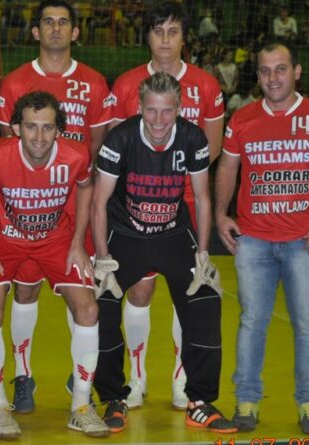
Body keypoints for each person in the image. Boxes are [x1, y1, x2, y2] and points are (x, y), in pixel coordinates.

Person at [215, 42, 309, 435]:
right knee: (251, 323)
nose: (273, 77)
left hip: (304, 241)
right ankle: (246, 400)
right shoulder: (242, 119)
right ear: (257, 75)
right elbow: (228, 167)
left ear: (296, 71)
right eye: (265, 71)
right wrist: (220, 212)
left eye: (280, 69)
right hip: (254, 240)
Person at [92, 72, 236, 434]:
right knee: (102, 303)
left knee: (205, 297)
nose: (158, 121)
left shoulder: (192, 138)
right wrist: (102, 257)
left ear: (179, 109)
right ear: (140, 107)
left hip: (173, 233)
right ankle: (113, 397)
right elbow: (98, 203)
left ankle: (199, 401)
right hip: (125, 234)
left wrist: (203, 255)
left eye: (167, 112)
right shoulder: (120, 138)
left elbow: (202, 198)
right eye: (151, 111)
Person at [107, 0, 224, 418]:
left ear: (183, 38)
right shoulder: (124, 85)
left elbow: (209, 152)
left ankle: (181, 380)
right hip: (134, 208)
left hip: (185, 207)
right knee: (139, 288)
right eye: (158, 32)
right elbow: (114, 146)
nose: (165, 41)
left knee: (187, 295)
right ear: (148, 37)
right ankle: (136, 380)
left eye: (173, 32)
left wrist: (173, 177)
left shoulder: (207, 86)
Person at [0, 0, 112, 414]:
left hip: (75, 202)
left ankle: (79, 379)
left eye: (64, 23)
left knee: (81, 291)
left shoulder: (95, 83)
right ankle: (23, 376)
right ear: (36, 32)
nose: (57, 29)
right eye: (48, 22)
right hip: (27, 207)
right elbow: (3, 149)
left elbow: (97, 149)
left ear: (76, 32)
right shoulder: (14, 82)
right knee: (24, 290)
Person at [0, 91, 109, 438]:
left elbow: (85, 187)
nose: (39, 137)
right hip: (3, 240)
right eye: (31, 127)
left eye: (47, 128)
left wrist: (78, 242)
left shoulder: (75, 155)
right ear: (16, 128)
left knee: (88, 309)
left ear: (59, 130)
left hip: (55, 240)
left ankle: (80, 405)